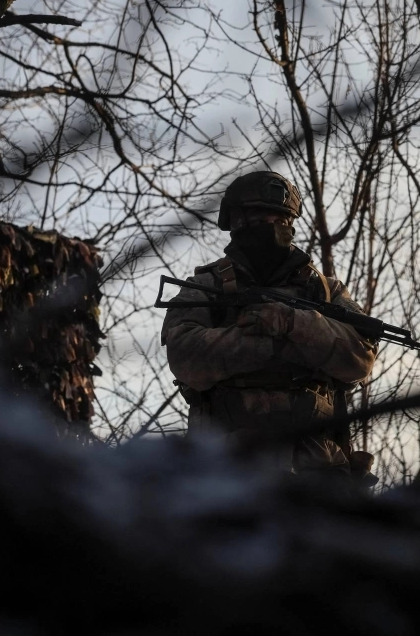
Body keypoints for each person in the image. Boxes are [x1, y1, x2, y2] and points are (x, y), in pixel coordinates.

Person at [160, 171, 377, 482]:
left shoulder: (325, 292)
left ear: (288, 222)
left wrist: (294, 323)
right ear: (233, 224)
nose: (261, 227)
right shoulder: (207, 286)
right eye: (250, 219)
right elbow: (186, 360)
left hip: (317, 469)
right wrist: (272, 343)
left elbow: (359, 360)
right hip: (226, 465)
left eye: (272, 218)